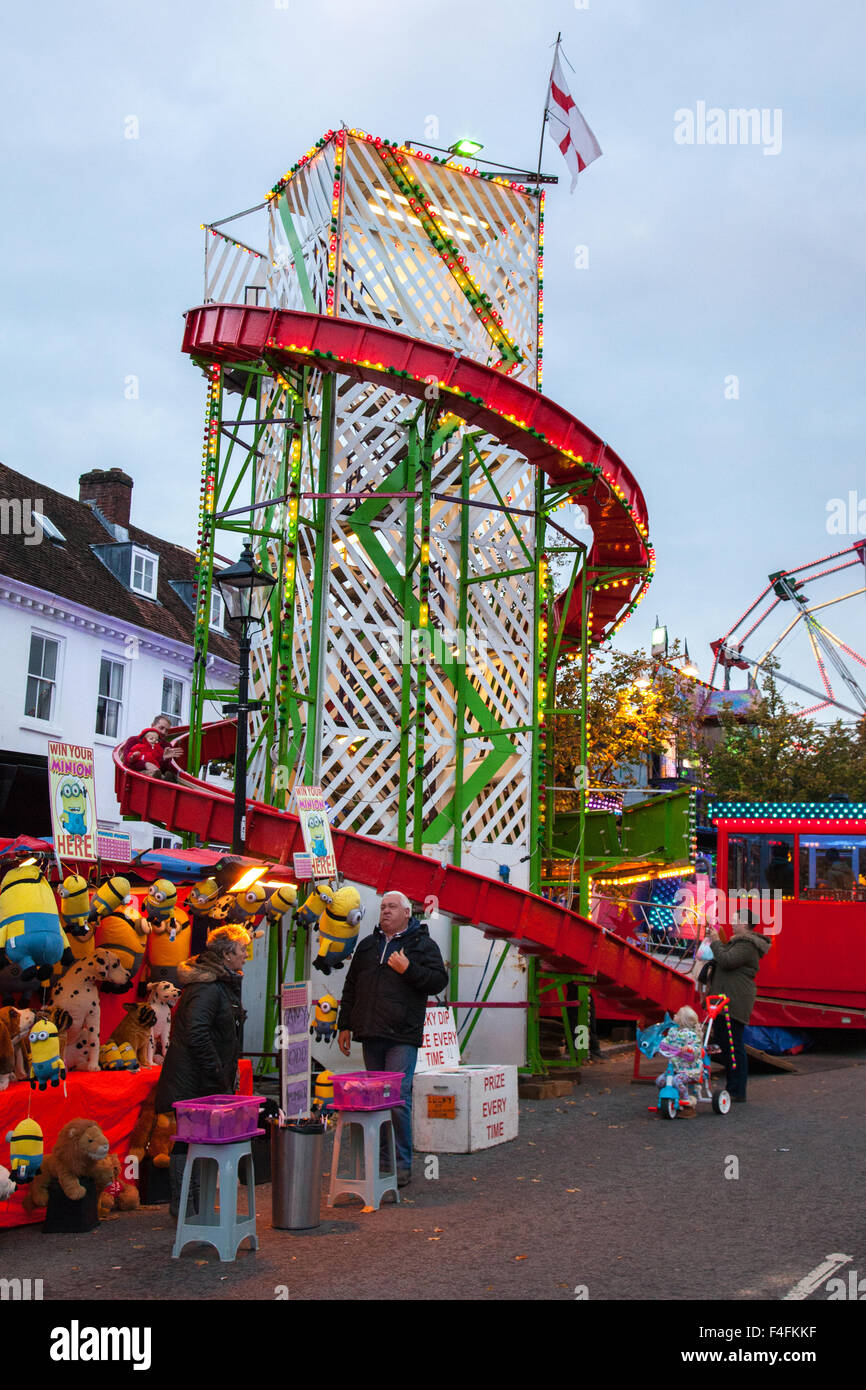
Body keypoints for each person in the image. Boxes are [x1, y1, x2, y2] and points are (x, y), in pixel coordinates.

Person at [336, 890, 447, 1187]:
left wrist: (409, 969)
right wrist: (344, 1025)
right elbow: (351, 987)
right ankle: (380, 1163)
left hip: (402, 1035)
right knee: (377, 1101)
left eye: (392, 907)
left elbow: (438, 981)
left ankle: (401, 1165)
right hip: (371, 1032)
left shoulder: (422, 945)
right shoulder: (368, 946)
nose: (385, 911)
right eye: (383, 906)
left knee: (397, 1099)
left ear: (407, 913)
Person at [154, 924, 250, 1217]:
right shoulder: (208, 988)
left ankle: (191, 1205)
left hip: (200, 1077)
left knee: (193, 1140)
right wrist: (217, 1073)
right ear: (226, 955)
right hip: (195, 1080)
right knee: (187, 1140)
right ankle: (185, 1205)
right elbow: (197, 1034)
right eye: (242, 950)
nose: (246, 955)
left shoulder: (218, 984)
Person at [705, 910, 771, 1103]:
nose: (733, 924)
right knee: (727, 1045)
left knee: (733, 1046)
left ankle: (737, 1089)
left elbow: (726, 961)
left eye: (736, 921)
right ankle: (733, 1087)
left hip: (734, 1001)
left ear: (746, 924)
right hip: (724, 1000)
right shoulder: (738, 943)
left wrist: (716, 941)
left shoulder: (747, 945)